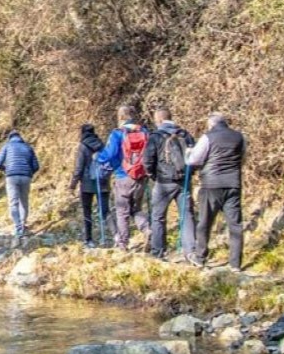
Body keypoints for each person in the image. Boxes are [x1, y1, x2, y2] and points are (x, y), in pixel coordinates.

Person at [186, 112, 247, 269]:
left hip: (211, 184)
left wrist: (188, 154)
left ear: (211, 124)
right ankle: (235, 264)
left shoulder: (208, 137)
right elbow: (243, 158)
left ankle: (200, 257)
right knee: (235, 225)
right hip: (233, 183)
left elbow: (194, 159)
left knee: (205, 222)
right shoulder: (239, 137)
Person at [96, 105, 150, 251]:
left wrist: (98, 158)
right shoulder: (144, 131)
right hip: (141, 176)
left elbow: (110, 154)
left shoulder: (118, 133)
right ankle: (147, 229)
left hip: (123, 175)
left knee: (122, 211)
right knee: (136, 208)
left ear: (120, 117)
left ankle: (123, 243)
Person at [144, 107, 196, 260]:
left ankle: (158, 251)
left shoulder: (156, 136)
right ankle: (190, 252)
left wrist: (152, 175)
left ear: (159, 120)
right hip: (184, 181)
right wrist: (189, 174)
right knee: (186, 215)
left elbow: (147, 160)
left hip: (163, 182)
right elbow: (194, 157)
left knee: (158, 216)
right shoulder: (185, 135)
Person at [0, 127, 40, 240]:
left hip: (12, 177)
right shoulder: (28, 147)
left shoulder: (7, 146)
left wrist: (5, 169)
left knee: (13, 203)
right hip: (25, 177)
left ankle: (18, 228)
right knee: (24, 202)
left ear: (10, 138)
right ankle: (23, 225)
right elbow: (36, 166)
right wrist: (29, 173)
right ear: (20, 137)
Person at [69, 123, 111, 246]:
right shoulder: (102, 145)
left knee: (87, 211)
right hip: (102, 182)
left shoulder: (83, 147)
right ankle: (115, 236)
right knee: (105, 211)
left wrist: (72, 185)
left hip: (87, 184)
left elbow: (78, 168)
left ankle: (89, 239)